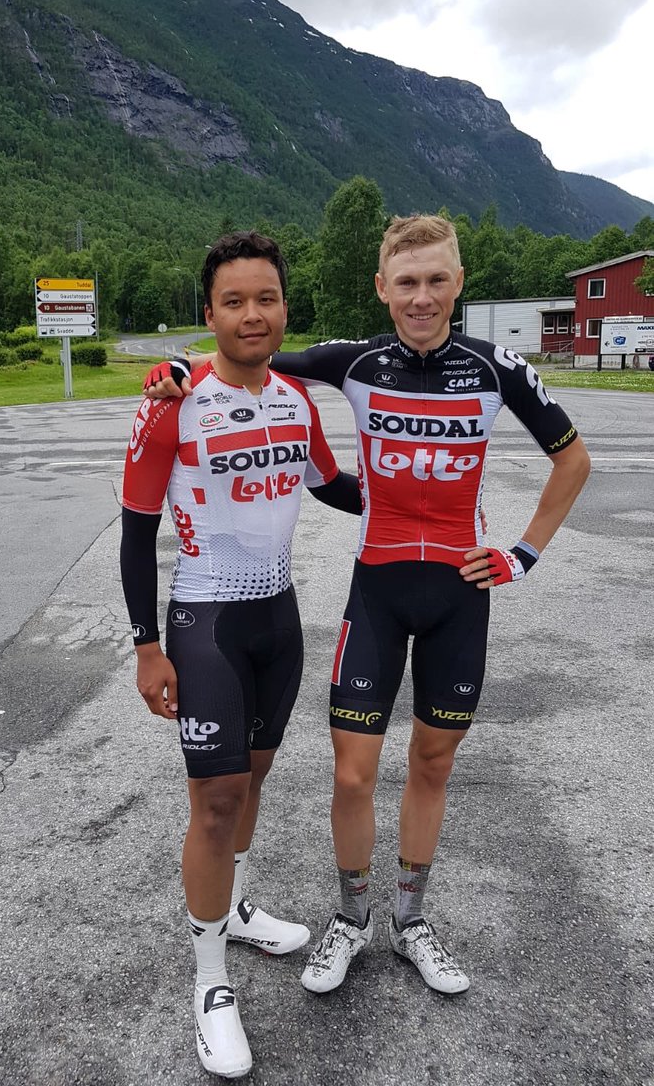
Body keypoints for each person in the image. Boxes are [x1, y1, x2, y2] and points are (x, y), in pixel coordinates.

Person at [144, 213, 591, 999]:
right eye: (407, 282)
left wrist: (521, 554)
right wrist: (176, 365)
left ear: (458, 283)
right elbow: (249, 347)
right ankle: (351, 921)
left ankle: (411, 922)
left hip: (459, 596)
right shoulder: (355, 361)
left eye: (437, 280)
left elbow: (574, 460)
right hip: (377, 591)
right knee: (352, 777)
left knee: (433, 764)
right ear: (383, 287)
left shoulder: (496, 368)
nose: (422, 297)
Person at [120, 231, 361, 1078]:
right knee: (216, 799)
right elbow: (135, 531)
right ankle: (210, 981)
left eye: (266, 298)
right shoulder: (173, 402)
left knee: (252, 780)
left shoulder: (297, 398)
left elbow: (333, 485)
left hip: (278, 621)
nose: (251, 314)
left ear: (285, 307)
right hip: (206, 618)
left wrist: (416, 496)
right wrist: (146, 648)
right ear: (210, 312)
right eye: (233, 301)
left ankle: (237, 905)